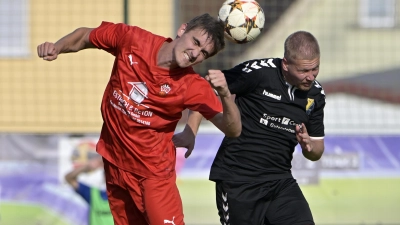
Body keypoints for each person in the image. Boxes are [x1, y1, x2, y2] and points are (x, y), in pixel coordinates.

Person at [37, 13, 241, 225]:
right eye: (196, 42)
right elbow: (85, 36)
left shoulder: (191, 84)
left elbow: (233, 129)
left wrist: (225, 95)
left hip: (153, 177)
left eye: (203, 53)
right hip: (114, 164)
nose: (194, 53)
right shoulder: (132, 39)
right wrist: (58, 47)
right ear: (182, 30)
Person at [174, 31, 326, 225]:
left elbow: (317, 150)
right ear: (286, 64)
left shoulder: (316, 95)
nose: (310, 77)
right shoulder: (258, 72)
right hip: (238, 181)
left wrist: (309, 148)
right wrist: (190, 130)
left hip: (280, 182)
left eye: (315, 69)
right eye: (304, 71)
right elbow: (206, 90)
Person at [65, 156, 114, 225]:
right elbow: (69, 178)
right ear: (103, 175)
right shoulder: (93, 193)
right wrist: (87, 167)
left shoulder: (122, 195)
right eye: (107, 174)